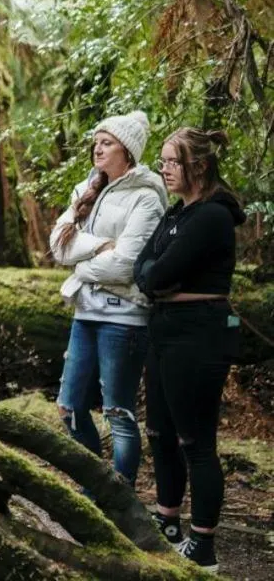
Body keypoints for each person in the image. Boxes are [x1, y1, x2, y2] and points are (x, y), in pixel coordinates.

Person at [135, 128, 245, 574]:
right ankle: (168, 520)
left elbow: (158, 274)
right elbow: (144, 269)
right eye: (162, 161)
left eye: (172, 161)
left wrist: (158, 276)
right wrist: (156, 276)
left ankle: (204, 544)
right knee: (159, 432)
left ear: (198, 166)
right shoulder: (178, 213)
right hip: (163, 328)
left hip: (198, 334)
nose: (164, 169)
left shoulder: (212, 217)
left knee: (195, 440)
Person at [49, 110, 165, 486]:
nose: (97, 149)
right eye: (96, 142)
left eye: (107, 143)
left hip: (125, 318)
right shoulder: (88, 188)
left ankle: (122, 497)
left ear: (127, 151)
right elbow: (58, 247)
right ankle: (94, 486)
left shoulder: (146, 198)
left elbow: (127, 265)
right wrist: (101, 245)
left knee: (117, 412)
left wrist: (82, 270)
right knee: (69, 407)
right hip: (86, 314)